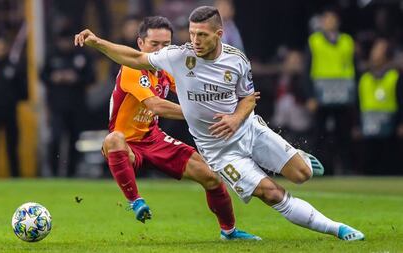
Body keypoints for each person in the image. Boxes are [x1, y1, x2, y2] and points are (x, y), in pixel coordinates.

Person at [74, 6, 364, 241]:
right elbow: (138, 65)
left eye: (201, 35)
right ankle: (337, 229)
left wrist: (236, 118)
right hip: (218, 148)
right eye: (192, 34)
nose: (195, 41)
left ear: (218, 35)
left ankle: (237, 223)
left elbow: (249, 98)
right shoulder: (176, 58)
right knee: (272, 192)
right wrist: (97, 42)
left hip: (247, 128)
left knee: (301, 175)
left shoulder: (237, 60)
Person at [100, 16, 259, 240]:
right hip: (127, 145)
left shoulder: (166, 70)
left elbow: (195, 90)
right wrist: (199, 114)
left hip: (153, 138)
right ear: (140, 44)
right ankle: (135, 202)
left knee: (211, 177)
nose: (160, 50)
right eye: (154, 44)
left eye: (166, 45)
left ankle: (229, 231)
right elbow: (155, 106)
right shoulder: (131, 69)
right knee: (112, 139)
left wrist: (232, 103)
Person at [305, 8, 357, 174]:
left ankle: (347, 169)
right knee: (319, 134)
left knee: (344, 134)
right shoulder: (315, 41)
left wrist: (353, 95)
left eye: (332, 19)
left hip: (342, 96)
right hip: (322, 95)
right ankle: (319, 170)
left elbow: (353, 67)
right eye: (326, 19)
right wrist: (310, 96)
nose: (329, 22)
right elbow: (306, 70)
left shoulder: (347, 41)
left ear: (338, 21)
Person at [41, 28, 95, 177]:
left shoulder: (83, 55)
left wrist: (76, 78)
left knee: (74, 140)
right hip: (57, 106)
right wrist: (54, 77)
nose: (65, 44)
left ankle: (71, 172)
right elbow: (42, 75)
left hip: (77, 106)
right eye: (62, 40)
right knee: (56, 138)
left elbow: (91, 77)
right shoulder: (51, 55)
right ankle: (53, 172)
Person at [355, 38, 403, 175]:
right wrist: (357, 124)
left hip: (390, 127)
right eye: (374, 49)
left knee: (390, 164)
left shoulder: (395, 76)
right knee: (369, 164)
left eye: (379, 50)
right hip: (368, 127)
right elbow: (358, 103)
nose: (374, 53)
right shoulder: (364, 78)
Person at [0, 36, 27, 177]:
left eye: (1, 48)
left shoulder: (13, 67)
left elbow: (23, 91)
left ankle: (15, 176)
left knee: (12, 146)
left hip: (9, 112)